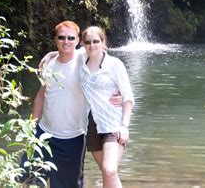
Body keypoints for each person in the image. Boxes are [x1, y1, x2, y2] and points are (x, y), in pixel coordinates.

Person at [22, 20, 121, 188]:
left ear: (78, 41)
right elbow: (41, 96)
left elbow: (105, 65)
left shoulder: (84, 61)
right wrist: (31, 126)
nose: (66, 42)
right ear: (55, 39)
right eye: (61, 38)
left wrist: (118, 95)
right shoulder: (48, 64)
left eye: (70, 38)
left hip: (72, 139)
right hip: (43, 134)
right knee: (27, 181)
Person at [78, 26, 134, 188]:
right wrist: (51, 55)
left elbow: (128, 97)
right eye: (88, 42)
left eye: (96, 41)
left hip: (112, 123)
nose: (92, 45)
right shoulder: (81, 61)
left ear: (103, 43)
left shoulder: (114, 64)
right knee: (107, 172)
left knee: (109, 170)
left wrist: (125, 126)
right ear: (83, 43)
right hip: (91, 126)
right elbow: (67, 54)